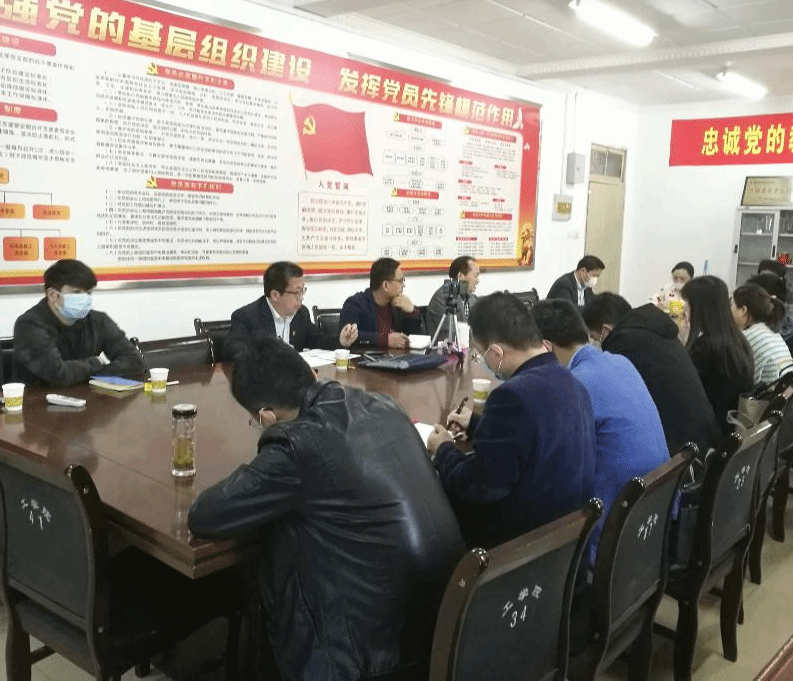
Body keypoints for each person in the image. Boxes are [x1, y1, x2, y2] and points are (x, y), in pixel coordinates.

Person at [189, 339, 464, 681]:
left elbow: (206, 515)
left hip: (366, 656)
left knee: (282, 537)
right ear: (311, 373)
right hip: (442, 626)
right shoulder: (385, 403)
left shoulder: (297, 444)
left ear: (266, 416)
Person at [425, 292, 595, 548]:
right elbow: (535, 440)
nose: (483, 361)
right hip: (564, 540)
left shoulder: (512, 396)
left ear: (496, 352)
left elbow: (478, 486)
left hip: (517, 546)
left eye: (481, 354)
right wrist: (477, 425)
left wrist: (444, 449)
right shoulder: (571, 381)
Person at [531, 299, 668, 565]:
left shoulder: (574, 384)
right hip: (652, 514)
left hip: (609, 528)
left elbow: (549, 461)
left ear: (546, 347)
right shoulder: (621, 362)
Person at [582, 293, 720, 455]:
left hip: (680, 447)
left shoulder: (623, 343)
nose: (593, 343)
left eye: (594, 337)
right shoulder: (651, 330)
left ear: (605, 331)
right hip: (703, 435)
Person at [13, 259, 144, 387]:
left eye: (88, 292)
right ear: (53, 295)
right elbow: (58, 374)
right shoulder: (29, 324)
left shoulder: (98, 320)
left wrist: (89, 372)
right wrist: (96, 363)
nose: (85, 298)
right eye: (76, 292)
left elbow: (135, 362)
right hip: (36, 398)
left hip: (87, 396)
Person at [222, 261, 358, 361]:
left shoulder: (301, 313)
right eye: (296, 292)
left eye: (303, 290)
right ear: (275, 295)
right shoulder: (247, 316)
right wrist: (271, 352)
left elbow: (316, 339)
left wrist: (341, 340)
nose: (301, 297)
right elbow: (231, 350)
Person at [680, 276, 755, 432]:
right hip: (730, 427)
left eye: (687, 302)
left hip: (710, 431)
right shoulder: (737, 340)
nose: (684, 309)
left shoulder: (705, 347)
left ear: (699, 306)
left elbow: (684, 390)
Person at [339, 257, 424, 349]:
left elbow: (415, 338)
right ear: (385, 285)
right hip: (367, 357)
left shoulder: (398, 304)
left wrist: (412, 312)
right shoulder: (355, 304)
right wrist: (385, 340)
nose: (404, 285)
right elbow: (350, 337)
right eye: (400, 281)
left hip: (398, 357)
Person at [731, 283, 793, 386]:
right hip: (780, 392)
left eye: (731, 304)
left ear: (743, 310)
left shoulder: (747, 337)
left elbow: (740, 382)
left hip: (765, 394)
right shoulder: (768, 331)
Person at [426, 256, 480, 339]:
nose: (478, 280)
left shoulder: (472, 298)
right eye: (475, 276)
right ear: (460, 276)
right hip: (447, 345)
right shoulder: (443, 298)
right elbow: (451, 334)